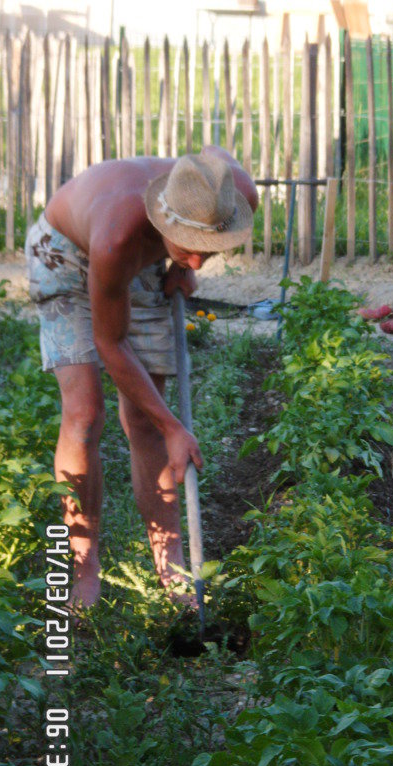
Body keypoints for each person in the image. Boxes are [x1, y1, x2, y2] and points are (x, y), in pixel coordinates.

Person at [25, 147, 259, 611]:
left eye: (207, 248)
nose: (197, 263)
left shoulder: (233, 193)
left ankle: (171, 570)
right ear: (164, 218)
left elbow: (212, 160)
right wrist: (177, 426)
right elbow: (110, 344)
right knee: (85, 414)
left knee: (145, 422)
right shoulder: (116, 236)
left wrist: (179, 262)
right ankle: (82, 567)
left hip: (145, 251)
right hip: (68, 257)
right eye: (189, 247)